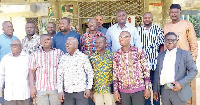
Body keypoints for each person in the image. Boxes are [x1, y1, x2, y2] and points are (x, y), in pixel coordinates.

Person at [153, 32, 198, 105]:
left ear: (177, 41)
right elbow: (157, 73)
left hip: (179, 91)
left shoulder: (185, 54)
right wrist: (155, 90)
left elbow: (194, 71)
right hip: (165, 91)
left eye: (173, 40)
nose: (170, 42)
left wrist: (180, 83)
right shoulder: (160, 56)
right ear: (164, 41)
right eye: (167, 40)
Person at [113, 31, 151, 105]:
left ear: (130, 38)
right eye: (120, 37)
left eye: (124, 37)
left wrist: (147, 88)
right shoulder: (116, 55)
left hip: (138, 89)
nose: (121, 39)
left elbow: (146, 71)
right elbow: (115, 74)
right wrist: (116, 91)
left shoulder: (138, 52)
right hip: (123, 91)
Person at [137, 12, 165, 105]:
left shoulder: (158, 29)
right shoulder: (138, 30)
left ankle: (156, 103)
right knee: (145, 87)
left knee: (156, 88)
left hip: (155, 63)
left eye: (149, 18)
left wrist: (160, 60)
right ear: (143, 19)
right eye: (145, 18)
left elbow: (161, 45)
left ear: (152, 19)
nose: (147, 19)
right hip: (142, 65)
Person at [57, 37, 93, 105]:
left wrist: (88, 88)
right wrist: (60, 91)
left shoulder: (82, 57)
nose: (66, 45)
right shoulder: (63, 58)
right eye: (66, 44)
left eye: (69, 44)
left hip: (81, 91)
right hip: (68, 92)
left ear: (75, 46)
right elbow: (59, 75)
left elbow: (90, 73)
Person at [29, 35, 64, 105]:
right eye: (43, 40)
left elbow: (63, 71)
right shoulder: (35, 55)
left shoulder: (59, 53)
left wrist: (62, 88)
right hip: (40, 88)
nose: (46, 41)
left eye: (48, 39)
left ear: (51, 41)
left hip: (55, 87)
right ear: (40, 42)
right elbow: (31, 72)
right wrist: (32, 88)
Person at [0, 39, 31, 105]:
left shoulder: (27, 58)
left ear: (21, 46)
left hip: (24, 95)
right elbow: (1, 75)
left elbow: (32, 75)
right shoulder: (5, 58)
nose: (14, 47)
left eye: (16, 45)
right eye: (12, 45)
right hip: (10, 95)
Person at [89, 36, 115, 105]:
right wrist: (90, 89)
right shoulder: (92, 57)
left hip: (109, 89)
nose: (97, 44)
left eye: (100, 43)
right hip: (97, 89)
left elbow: (116, 72)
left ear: (105, 44)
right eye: (96, 43)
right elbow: (89, 74)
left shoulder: (111, 56)